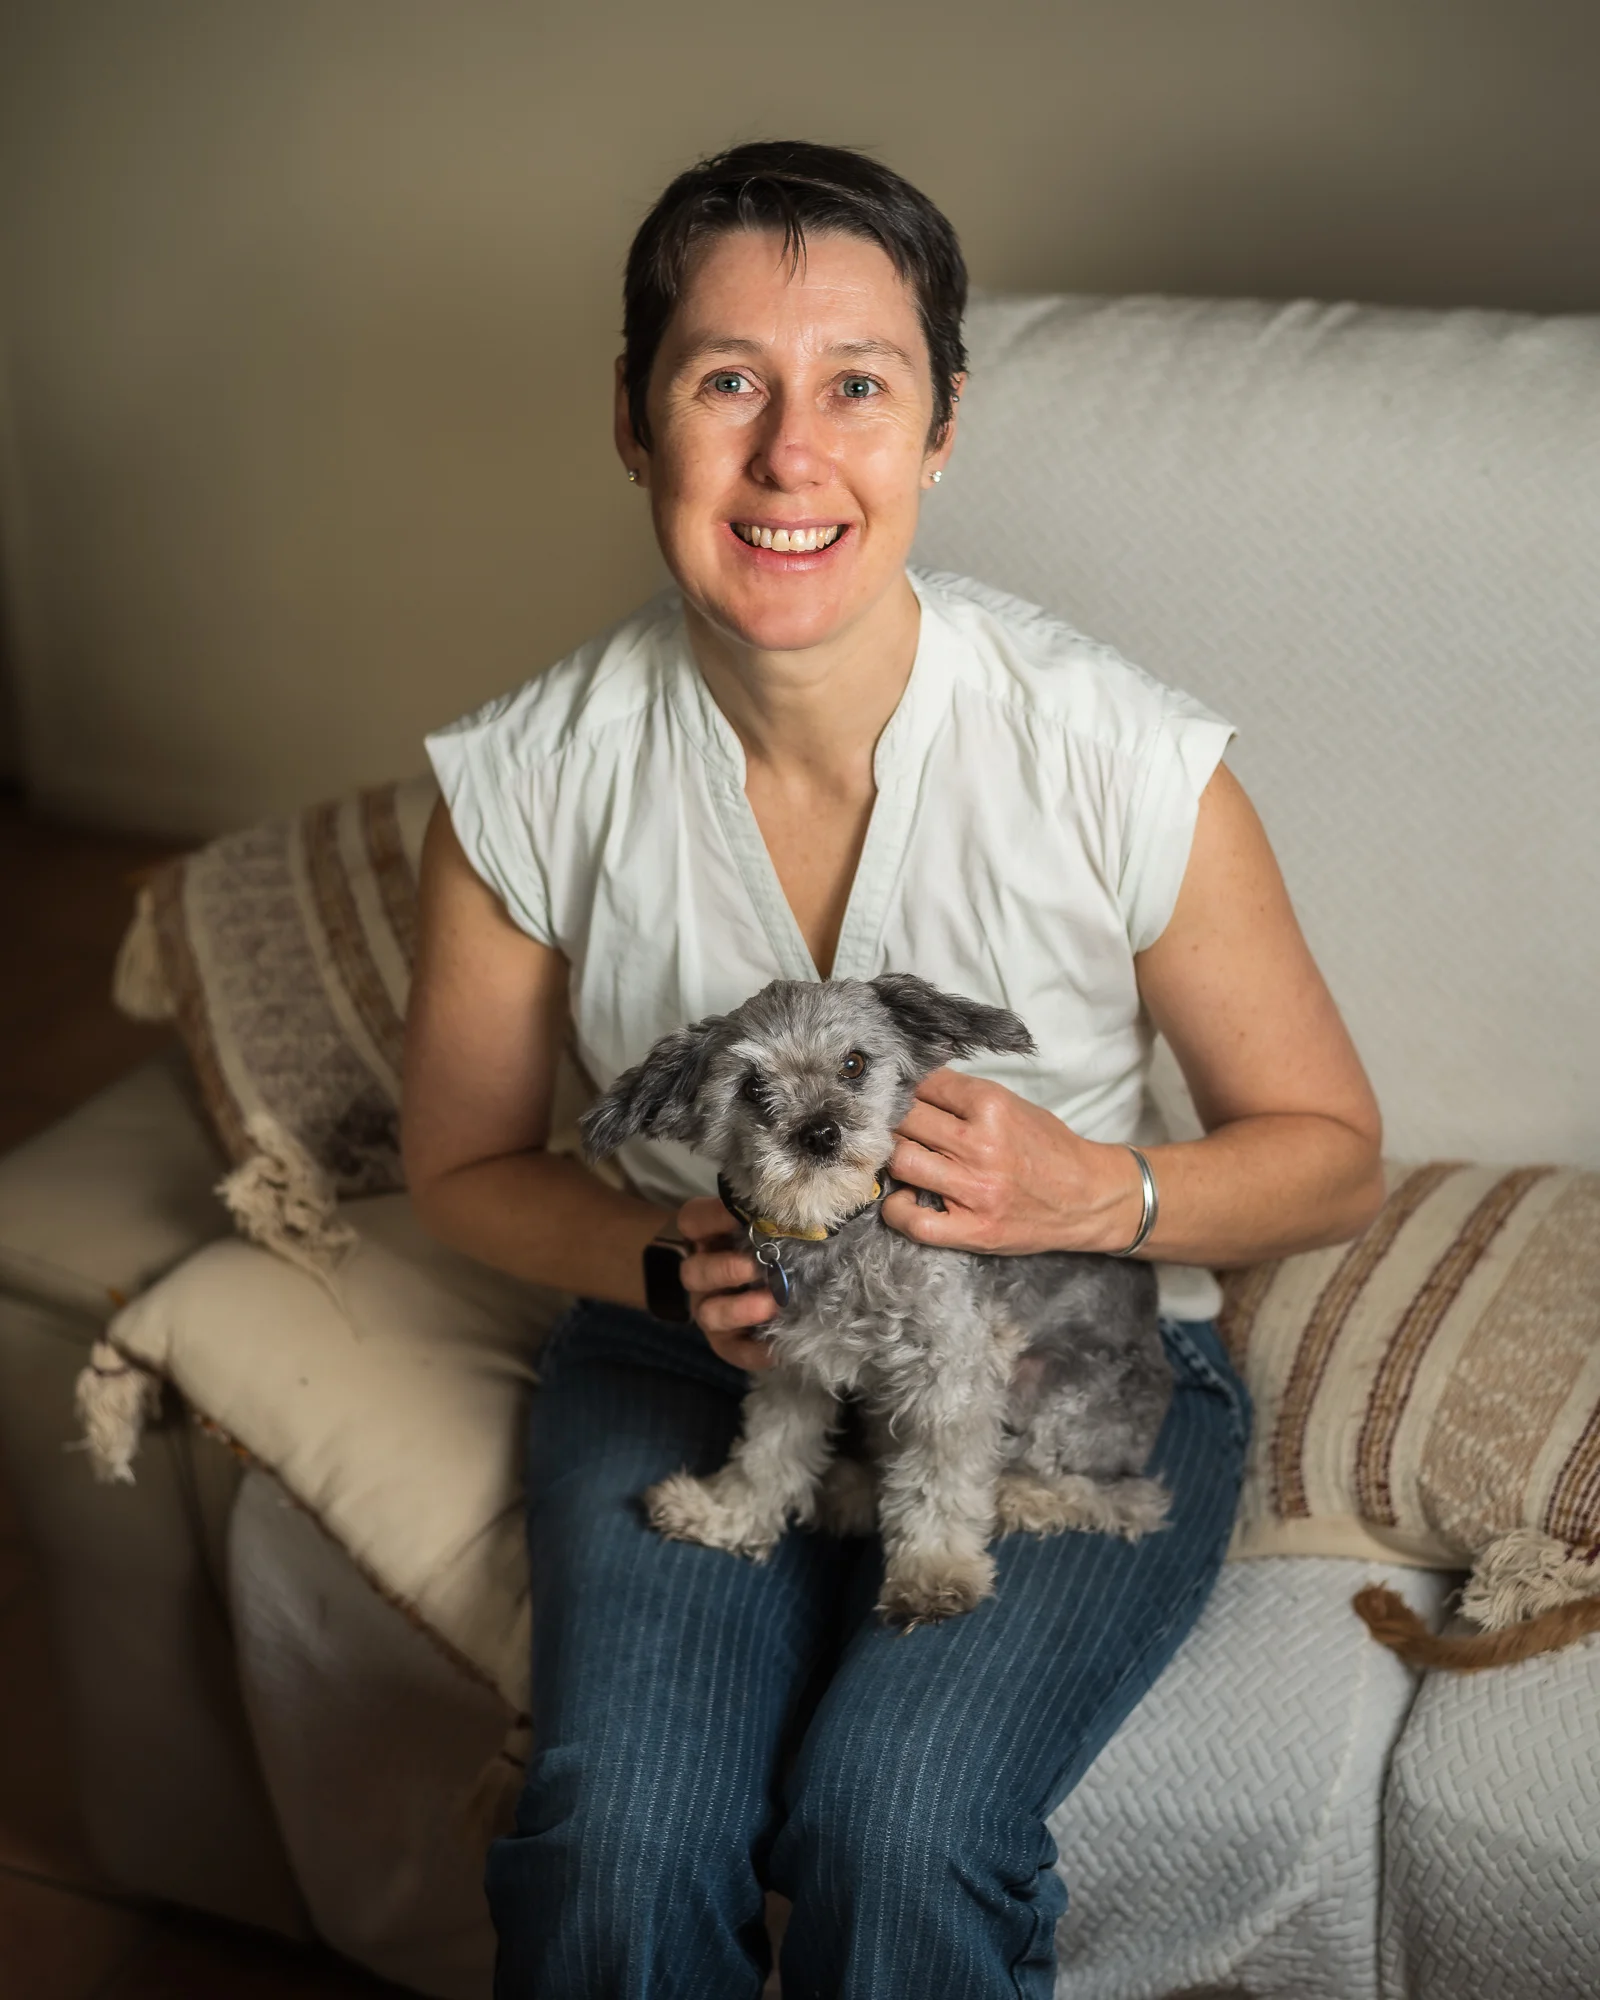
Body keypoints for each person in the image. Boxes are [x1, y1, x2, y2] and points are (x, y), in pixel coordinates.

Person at [402, 139, 1384, 2000]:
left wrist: (1112, 1189)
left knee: (900, 1827)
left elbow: (1335, 1157)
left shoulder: (1123, 754)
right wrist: (663, 1263)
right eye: (724, 383)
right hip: (688, 1345)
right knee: (613, 1843)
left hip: (1060, 1347)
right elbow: (457, 1171)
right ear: (633, 420)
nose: (793, 454)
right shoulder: (523, 782)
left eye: (859, 384)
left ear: (940, 429)